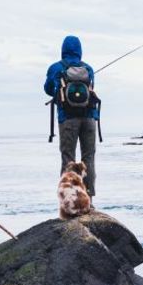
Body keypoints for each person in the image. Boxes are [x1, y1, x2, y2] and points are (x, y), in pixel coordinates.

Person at [44, 35, 99, 197]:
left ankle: (69, 199)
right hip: (89, 118)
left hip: (68, 118)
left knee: (68, 158)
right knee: (88, 157)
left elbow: (48, 89)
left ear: (63, 50)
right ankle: (88, 197)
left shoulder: (55, 68)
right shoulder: (88, 68)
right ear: (80, 51)